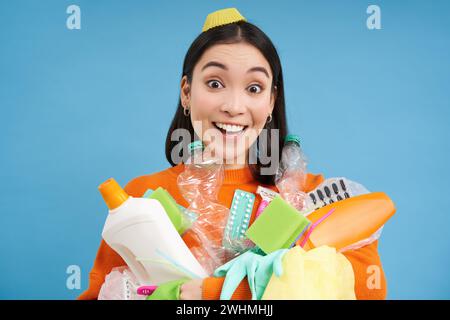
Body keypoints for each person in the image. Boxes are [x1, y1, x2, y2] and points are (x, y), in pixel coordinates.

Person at [78, 8, 386, 300]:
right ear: (186, 92)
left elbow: (367, 289)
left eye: (254, 88)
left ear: (271, 102)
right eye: (215, 83)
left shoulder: (311, 198)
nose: (234, 106)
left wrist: (216, 291)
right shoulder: (141, 200)